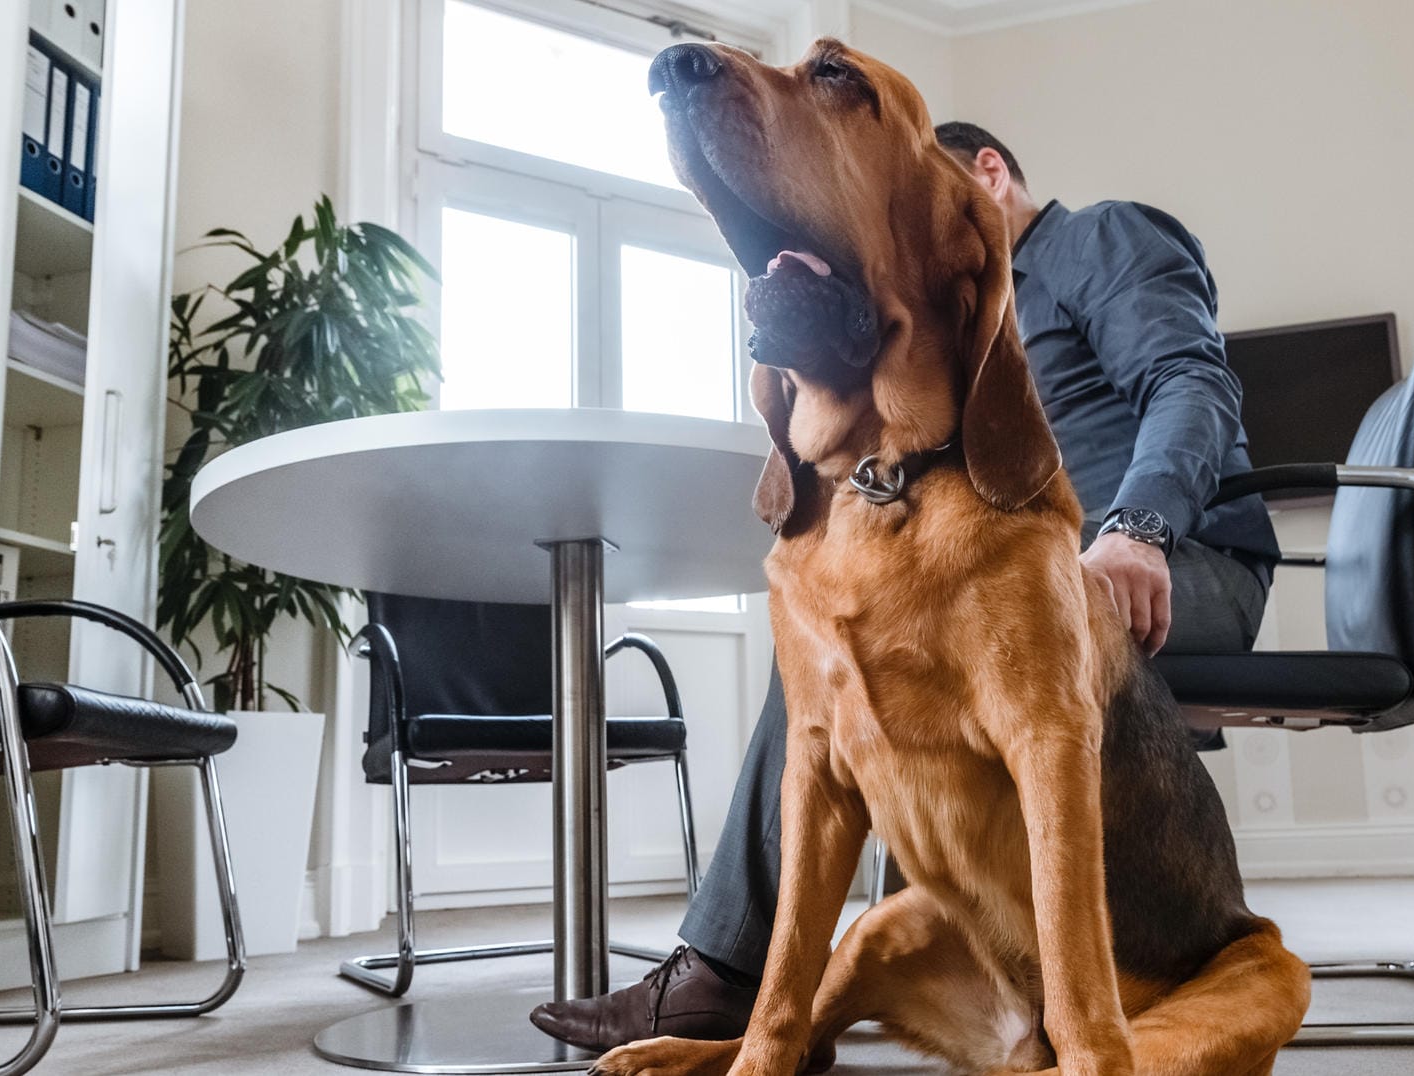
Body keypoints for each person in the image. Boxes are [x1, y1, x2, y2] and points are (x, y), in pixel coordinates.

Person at [530, 122, 1280, 1051]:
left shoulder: (1099, 240)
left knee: (876, 631)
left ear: (989, 174)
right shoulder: (936, 306)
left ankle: (726, 971)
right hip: (1022, 566)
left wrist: (1139, 528)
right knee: (843, 622)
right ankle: (799, 990)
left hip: (1169, 562)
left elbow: (1189, 381)